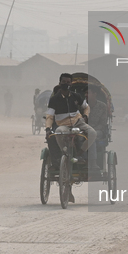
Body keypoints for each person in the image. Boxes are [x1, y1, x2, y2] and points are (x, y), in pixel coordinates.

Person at [45, 74, 98, 203]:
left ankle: (80, 153)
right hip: (63, 125)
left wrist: (85, 116)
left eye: (68, 82)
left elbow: (86, 107)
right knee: (57, 132)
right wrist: (47, 128)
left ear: (71, 83)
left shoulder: (76, 96)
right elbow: (50, 115)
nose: (66, 84)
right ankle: (64, 153)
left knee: (93, 133)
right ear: (60, 82)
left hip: (78, 122)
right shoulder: (54, 99)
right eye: (64, 82)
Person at [85, 85, 108, 168]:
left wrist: (91, 130)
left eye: (88, 93)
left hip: (98, 130)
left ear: (95, 94)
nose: (86, 95)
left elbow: (102, 124)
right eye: (86, 93)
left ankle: (93, 162)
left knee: (91, 135)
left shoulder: (102, 106)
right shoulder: (82, 106)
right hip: (83, 130)